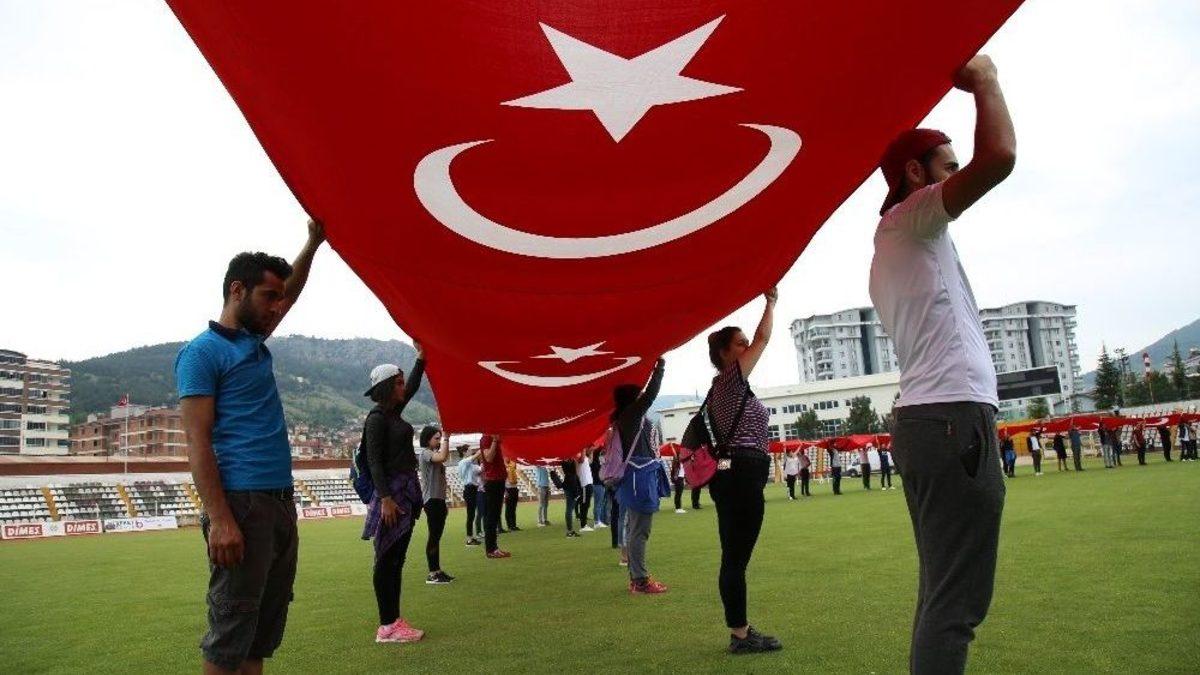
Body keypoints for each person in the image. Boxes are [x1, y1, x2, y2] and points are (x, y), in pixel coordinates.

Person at [868, 54, 1014, 674]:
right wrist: (985, 80)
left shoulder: (900, 239)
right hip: (952, 417)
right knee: (956, 602)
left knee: (941, 593)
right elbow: (999, 158)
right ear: (914, 173)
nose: (957, 177)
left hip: (933, 421)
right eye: (948, 166)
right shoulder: (913, 220)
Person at [177, 221, 324, 672]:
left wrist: (313, 242)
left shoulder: (252, 342)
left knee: (258, 640)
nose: (278, 306)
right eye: (268, 297)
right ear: (236, 290)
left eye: (279, 298)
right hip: (241, 505)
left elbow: (291, 291)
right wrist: (221, 519)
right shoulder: (202, 352)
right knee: (229, 638)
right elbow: (197, 441)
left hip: (279, 503)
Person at [705, 290, 783, 654]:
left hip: (731, 474)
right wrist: (770, 303)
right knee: (736, 559)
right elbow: (764, 338)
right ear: (725, 354)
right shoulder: (730, 381)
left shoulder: (723, 388)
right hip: (741, 474)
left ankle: (740, 630)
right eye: (740, 343)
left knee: (733, 556)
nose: (748, 346)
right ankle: (740, 634)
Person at [361, 344, 429, 644]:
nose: (404, 387)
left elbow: (412, 387)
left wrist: (421, 358)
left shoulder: (392, 414)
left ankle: (394, 620)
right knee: (387, 559)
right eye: (398, 383)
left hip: (404, 492)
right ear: (388, 386)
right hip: (391, 495)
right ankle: (387, 625)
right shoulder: (376, 419)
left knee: (397, 559)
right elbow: (374, 461)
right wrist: (386, 499)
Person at [611, 358, 668, 595]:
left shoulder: (628, 418)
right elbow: (651, 395)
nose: (643, 395)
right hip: (639, 478)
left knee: (634, 528)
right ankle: (640, 580)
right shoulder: (631, 416)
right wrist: (659, 368)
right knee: (639, 530)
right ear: (632, 400)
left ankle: (636, 578)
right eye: (639, 393)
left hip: (636, 477)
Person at [417, 426, 455, 584]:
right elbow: (443, 457)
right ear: (427, 439)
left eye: (440, 438)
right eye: (436, 438)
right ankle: (432, 573)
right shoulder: (425, 453)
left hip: (438, 499)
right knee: (433, 536)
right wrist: (446, 437)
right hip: (431, 500)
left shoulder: (432, 453)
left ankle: (437, 570)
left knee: (436, 536)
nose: (439, 441)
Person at [479, 435, 511, 558]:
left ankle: (493, 548)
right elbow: (488, 457)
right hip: (493, 481)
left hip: (497, 480)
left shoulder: (492, 438)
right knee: (492, 517)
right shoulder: (487, 438)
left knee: (494, 516)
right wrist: (494, 441)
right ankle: (491, 549)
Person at [552, 455, 582, 538]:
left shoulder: (564, 461)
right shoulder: (570, 461)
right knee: (569, 509)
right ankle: (569, 531)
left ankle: (570, 530)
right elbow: (576, 470)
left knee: (570, 509)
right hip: (572, 485)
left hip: (568, 484)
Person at [458, 448, 482, 545]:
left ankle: (472, 537)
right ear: (464, 452)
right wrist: (482, 449)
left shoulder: (472, 465)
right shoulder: (463, 462)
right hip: (469, 489)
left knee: (473, 514)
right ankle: (469, 538)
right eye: (469, 450)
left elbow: (481, 469)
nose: (471, 452)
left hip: (474, 490)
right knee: (470, 515)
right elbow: (475, 456)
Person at [591, 448, 609, 528]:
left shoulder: (596, 463)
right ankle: (597, 521)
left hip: (599, 484)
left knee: (600, 503)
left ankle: (601, 520)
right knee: (598, 504)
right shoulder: (596, 464)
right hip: (598, 484)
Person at [577, 451, 594, 532]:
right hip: (584, 484)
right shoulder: (578, 455)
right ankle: (583, 525)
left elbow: (590, 461)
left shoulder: (585, 457)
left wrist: (592, 451)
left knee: (587, 504)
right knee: (584, 504)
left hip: (589, 483)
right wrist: (583, 447)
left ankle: (584, 524)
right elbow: (582, 460)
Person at [503, 460, 521, 532]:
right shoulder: (504, 469)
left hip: (514, 488)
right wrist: (505, 492)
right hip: (508, 489)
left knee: (513, 508)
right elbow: (502, 481)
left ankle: (514, 525)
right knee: (508, 508)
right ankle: (509, 526)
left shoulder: (512, 467)